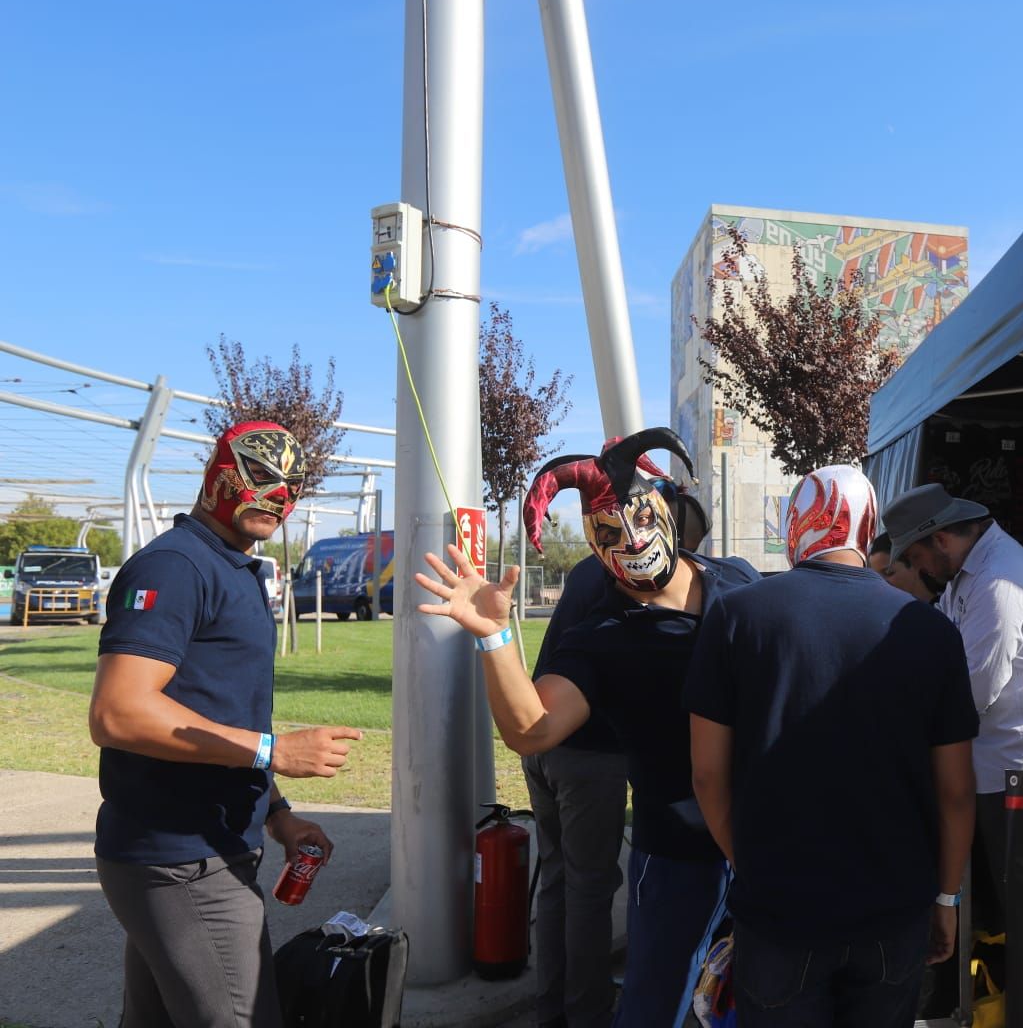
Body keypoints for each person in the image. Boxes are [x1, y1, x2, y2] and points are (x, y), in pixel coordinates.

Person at [414, 428, 757, 1028]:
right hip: (678, 854)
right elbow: (532, 728)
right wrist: (494, 636)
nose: (633, 539)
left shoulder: (740, 584)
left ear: (667, 514)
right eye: (609, 534)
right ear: (595, 553)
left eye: (641, 516)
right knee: (661, 1004)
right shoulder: (605, 639)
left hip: (764, 842)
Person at [88, 421, 363, 1028]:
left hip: (200, 852)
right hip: (181, 861)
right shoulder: (174, 568)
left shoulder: (231, 567)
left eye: (293, 486)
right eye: (262, 476)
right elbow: (118, 711)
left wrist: (277, 812)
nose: (279, 497)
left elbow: (219, 708)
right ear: (218, 474)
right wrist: (273, 751)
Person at [685, 465, 978, 1026]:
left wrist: (747, 861)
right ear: (868, 530)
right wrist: (946, 900)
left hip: (780, 910)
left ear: (796, 524)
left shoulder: (736, 616)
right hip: (895, 911)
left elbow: (706, 774)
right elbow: (957, 791)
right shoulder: (931, 631)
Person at [525, 469, 712, 1028]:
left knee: (559, 877)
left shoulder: (591, 567)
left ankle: (550, 1005)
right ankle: (585, 1012)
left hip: (548, 748)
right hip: (586, 752)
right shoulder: (618, 579)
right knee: (589, 884)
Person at [881, 483, 1023, 935]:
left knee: (1016, 924)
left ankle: (1009, 1005)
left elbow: (974, 690)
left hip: (1011, 776)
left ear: (940, 539)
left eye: (916, 559)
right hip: (990, 771)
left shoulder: (1000, 581)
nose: (918, 570)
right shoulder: (970, 575)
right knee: (992, 923)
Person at [867, 532, 940, 602]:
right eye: (876, 577)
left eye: (889, 573)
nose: (882, 583)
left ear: (914, 564)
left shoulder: (946, 606)